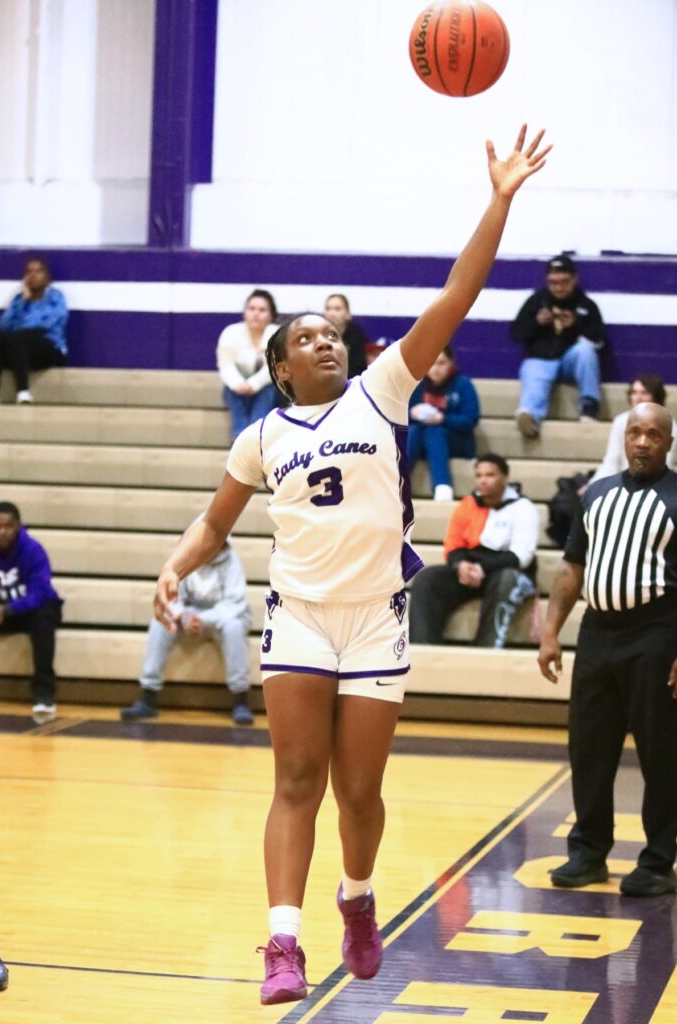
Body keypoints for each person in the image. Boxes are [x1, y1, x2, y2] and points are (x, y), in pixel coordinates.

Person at [153, 125, 550, 1005]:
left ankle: (358, 899)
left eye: (331, 331)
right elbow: (215, 525)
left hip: (375, 616)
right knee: (295, 779)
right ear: (282, 368)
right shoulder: (260, 435)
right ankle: (282, 944)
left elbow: (458, 292)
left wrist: (499, 197)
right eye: (307, 337)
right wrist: (175, 564)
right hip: (298, 616)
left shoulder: (384, 390)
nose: (327, 339)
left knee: (359, 792)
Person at [538, 402, 677, 897]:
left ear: (668, 442)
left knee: (661, 752)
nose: (642, 442)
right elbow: (571, 568)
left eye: (653, 435)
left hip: (657, 634)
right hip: (597, 635)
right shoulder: (596, 495)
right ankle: (588, 853)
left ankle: (659, 861)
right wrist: (552, 631)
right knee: (589, 749)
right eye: (635, 432)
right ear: (624, 438)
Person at [409, 454, 538, 646]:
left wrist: (482, 568)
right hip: (470, 569)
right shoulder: (467, 505)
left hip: (507, 570)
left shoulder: (523, 507)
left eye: (490, 475)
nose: (483, 480)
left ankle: (487, 649)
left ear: (504, 478)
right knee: (428, 578)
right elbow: (453, 545)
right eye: (479, 475)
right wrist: (460, 565)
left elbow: (521, 556)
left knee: (506, 579)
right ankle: (423, 647)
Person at [121, 541, 253, 725]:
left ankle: (241, 699)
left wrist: (202, 619)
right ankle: (148, 695)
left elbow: (234, 604)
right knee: (159, 623)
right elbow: (173, 597)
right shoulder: (184, 559)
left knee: (234, 627)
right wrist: (183, 616)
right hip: (187, 616)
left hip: (220, 619)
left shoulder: (231, 561)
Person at [510, 254, 608, 438]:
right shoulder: (536, 301)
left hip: (570, 362)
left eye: (564, 282)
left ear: (575, 279)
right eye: (553, 282)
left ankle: (589, 406)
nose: (558, 287)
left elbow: (600, 341)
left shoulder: (586, 305)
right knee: (532, 367)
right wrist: (537, 322)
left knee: (585, 350)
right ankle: (530, 415)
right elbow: (516, 334)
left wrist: (577, 326)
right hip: (541, 360)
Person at [0, 501, 63, 724]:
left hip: (24, 612)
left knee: (44, 616)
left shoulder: (33, 550)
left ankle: (44, 694)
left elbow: (39, 593)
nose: (2, 532)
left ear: (18, 526)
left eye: (8, 526)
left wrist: (9, 609)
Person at [407, 344, 480, 502]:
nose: (436, 369)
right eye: (431, 363)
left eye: (441, 363)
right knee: (415, 429)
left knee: (434, 430)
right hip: (420, 440)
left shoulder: (463, 385)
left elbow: (470, 419)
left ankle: (442, 487)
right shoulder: (417, 385)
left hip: (457, 442)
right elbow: (396, 416)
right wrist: (411, 414)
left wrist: (443, 419)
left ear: (451, 363)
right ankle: (396, 483)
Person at [0, 257, 68, 404]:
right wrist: (23, 302)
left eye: (38, 271)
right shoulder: (19, 299)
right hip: (19, 348)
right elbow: (4, 324)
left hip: (49, 348)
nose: (33, 275)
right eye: (29, 272)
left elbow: (46, 324)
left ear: (46, 276)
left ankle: (23, 391)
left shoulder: (55, 297)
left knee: (16, 337)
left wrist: (21, 326)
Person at [588, 373, 677, 483]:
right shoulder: (620, 421)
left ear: (656, 396)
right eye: (634, 393)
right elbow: (611, 462)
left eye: (644, 393)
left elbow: (665, 464)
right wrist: (593, 487)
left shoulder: (668, 424)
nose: (638, 398)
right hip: (623, 482)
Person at [216, 289, 279, 440]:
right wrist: (238, 384)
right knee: (231, 389)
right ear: (245, 313)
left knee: (268, 389)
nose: (256, 314)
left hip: (267, 389)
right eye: (251, 309)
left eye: (262, 310)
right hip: (237, 390)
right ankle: (240, 438)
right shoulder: (230, 333)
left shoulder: (277, 334)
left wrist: (254, 384)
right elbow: (226, 366)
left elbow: (273, 368)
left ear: (271, 315)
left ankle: (255, 436)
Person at [323, 294, 369, 378]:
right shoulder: (319, 335)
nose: (332, 313)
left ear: (347, 314)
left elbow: (358, 369)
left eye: (337, 309)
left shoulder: (357, 336)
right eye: (328, 309)